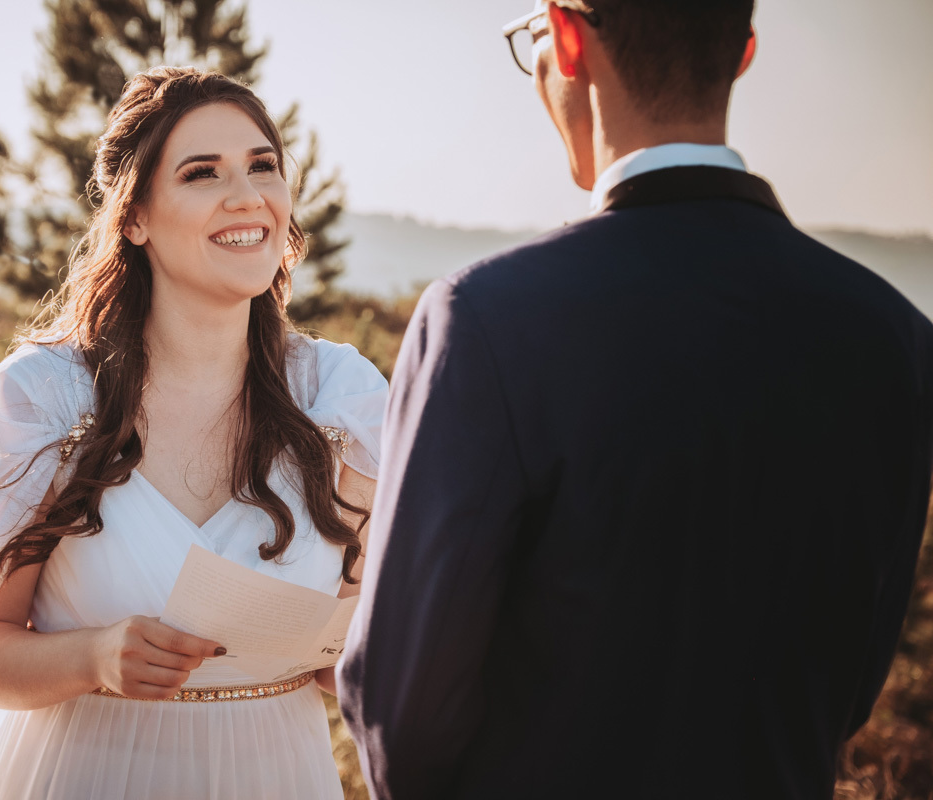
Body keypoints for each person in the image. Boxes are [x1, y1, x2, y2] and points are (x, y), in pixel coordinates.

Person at [337, 1, 933, 798]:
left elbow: (403, 713)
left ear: (571, 38)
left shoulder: (485, 320)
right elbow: (854, 683)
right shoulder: (895, 338)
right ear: (744, 53)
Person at [0, 67, 387, 800]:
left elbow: (361, 627)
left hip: (280, 775)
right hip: (84, 775)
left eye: (264, 165)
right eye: (203, 173)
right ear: (134, 217)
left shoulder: (341, 398)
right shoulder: (45, 398)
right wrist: (94, 658)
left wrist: (354, 654)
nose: (248, 196)